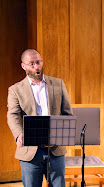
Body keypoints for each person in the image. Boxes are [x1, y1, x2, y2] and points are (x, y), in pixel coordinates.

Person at [7, 49, 73, 187]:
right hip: (30, 151)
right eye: (32, 64)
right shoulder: (15, 89)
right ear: (23, 66)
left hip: (55, 150)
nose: (36, 67)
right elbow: (12, 115)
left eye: (38, 62)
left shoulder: (58, 84)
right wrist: (19, 134)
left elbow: (67, 114)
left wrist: (56, 137)